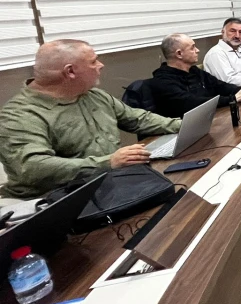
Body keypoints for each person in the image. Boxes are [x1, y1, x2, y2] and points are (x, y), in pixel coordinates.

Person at [0, 40, 181, 198]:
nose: (101, 65)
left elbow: (138, 119)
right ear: (70, 71)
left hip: (108, 183)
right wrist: (108, 162)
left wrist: (182, 125)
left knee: (177, 193)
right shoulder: (19, 115)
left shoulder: (93, 95)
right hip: (56, 199)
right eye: (93, 61)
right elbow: (32, 167)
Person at [151, 34, 241, 118]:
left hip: (211, 117)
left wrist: (240, 89)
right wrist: (232, 98)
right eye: (192, 47)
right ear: (179, 54)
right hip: (186, 129)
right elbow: (192, 103)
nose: (197, 50)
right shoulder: (163, 81)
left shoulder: (194, 70)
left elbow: (219, 85)